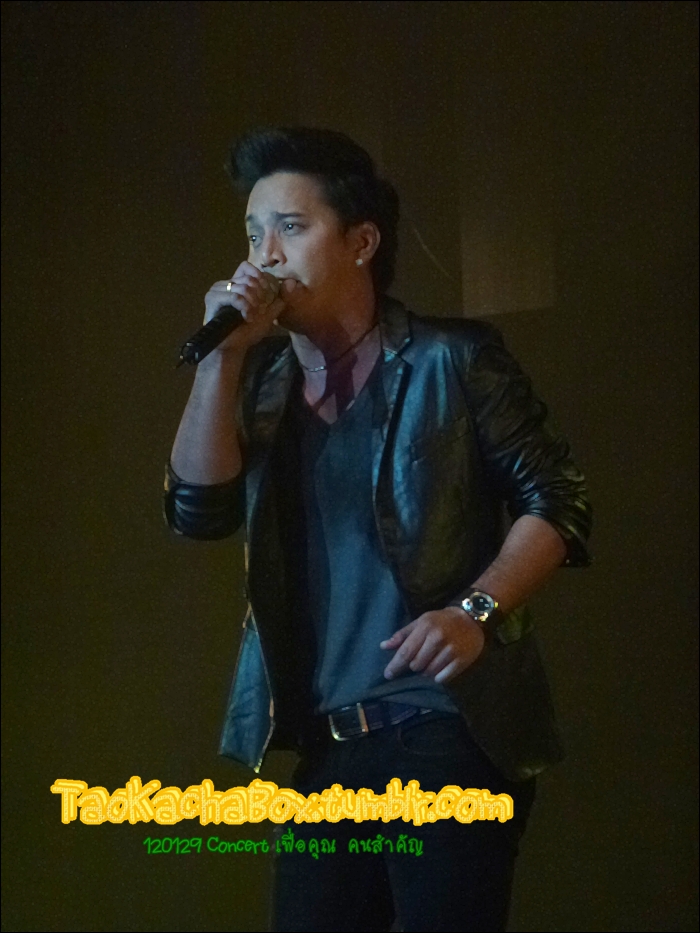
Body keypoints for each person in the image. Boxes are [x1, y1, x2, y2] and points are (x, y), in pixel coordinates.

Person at [163, 126, 592, 932]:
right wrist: (223, 358)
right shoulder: (260, 385)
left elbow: (558, 500)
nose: (264, 255)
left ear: (361, 242)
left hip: (443, 725)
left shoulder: (451, 360)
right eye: (252, 233)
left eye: (290, 227)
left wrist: (476, 611)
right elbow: (198, 510)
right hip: (329, 744)